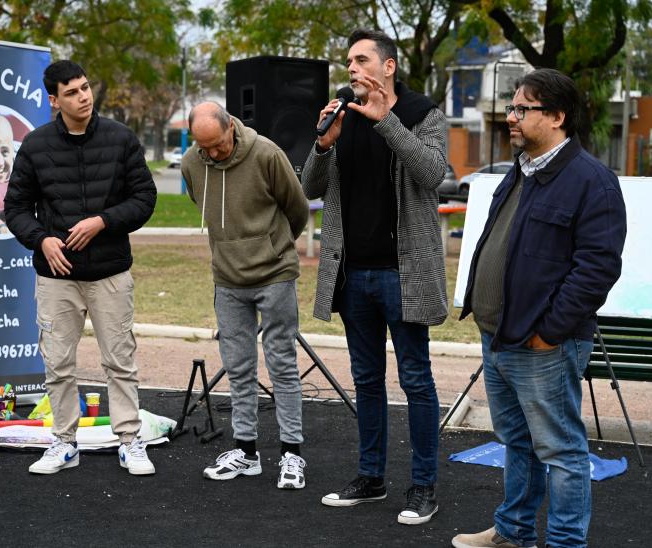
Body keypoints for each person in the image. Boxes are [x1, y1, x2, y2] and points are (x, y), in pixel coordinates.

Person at [452, 69, 626, 548]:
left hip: (542, 344)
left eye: (521, 109)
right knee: (517, 443)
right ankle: (513, 532)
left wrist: (548, 331)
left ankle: (566, 543)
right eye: (512, 107)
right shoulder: (521, 170)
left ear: (556, 116)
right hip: (499, 336)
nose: (511, 117)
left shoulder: (592, 181)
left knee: (562, 451)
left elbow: (596, 270)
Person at [300, 29, 448, 523]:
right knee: (366, 380)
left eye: (361, 60)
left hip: (404, 275)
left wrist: (387, 124)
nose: (351, 69)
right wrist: (323, 143)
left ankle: (424, 486)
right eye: (348, 61)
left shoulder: (423, 113)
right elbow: (308, 189)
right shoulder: (343, 115)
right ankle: (372, 477)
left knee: (417, 381)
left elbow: (432, 174)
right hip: (354, 275)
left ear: (388, 66)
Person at [5, 60, 157, 475]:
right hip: (56, 278)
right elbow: (15, 208)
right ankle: (64, 442)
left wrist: (103, 221)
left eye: (86, 87)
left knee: (120, 362)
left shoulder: (120, 138)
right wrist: (42, 239)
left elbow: (145, 199)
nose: (83, 97)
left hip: (110, 272)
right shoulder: (35, 146)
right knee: (58, 364)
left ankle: (130, 439)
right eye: (71, 92)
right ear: (53, 100)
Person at [181, 102, 310, 489]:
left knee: (282, 364)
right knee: (238, 368)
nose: (214, 154)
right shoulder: (192, 162)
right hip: (227, 279)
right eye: (206, 149)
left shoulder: (268, 153)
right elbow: (201, 203)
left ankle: (292, 454)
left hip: (274, 274)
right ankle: (247, 452)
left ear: (231, 127)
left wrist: (274, 246)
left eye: (219, 145)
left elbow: (297, 209)